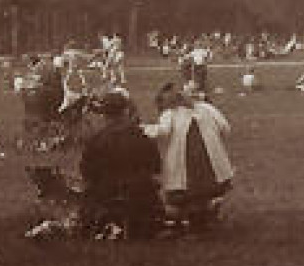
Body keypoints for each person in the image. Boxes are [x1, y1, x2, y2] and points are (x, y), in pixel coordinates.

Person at [78, 91, 164, 239]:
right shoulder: (141, 137)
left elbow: (86, 172)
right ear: (125, 111)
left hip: (106, 194)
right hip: (140, 194)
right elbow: (156, 166)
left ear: (103, 113)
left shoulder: (96, 140)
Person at [149, 82, 234, 228]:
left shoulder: (171, 113)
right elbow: (225, 128)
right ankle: (205, 211)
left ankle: (195, 218)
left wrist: (141, 129)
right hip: (208, 157)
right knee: (207, 184)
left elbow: (162, 131)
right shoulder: (207, 108)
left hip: (186, 160)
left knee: (186, 187)